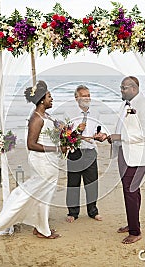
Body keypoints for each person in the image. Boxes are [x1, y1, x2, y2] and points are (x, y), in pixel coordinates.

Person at [0, 80, 61, 239]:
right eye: (49, 96)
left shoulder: (46, 115)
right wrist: (56, 148)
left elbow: (51, 133)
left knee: (44, 194)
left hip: (50, 160)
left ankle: (40, 227)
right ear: (42, 99)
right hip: (42, 161)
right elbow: (31, 144)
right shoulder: (36, 118)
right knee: (39, 192)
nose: (52, 98)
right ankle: (41, 229)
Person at [106, 76, 145, 244]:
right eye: (121, 87)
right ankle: (132, 223)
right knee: (132, 191)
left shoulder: (143, 105)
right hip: (124, 152)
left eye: (124, 88)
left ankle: (135, 232)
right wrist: (110, 137)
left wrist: (121, 137)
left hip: (136, 156)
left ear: (134, 89)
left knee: (130, 192)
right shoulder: (127, 103)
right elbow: (123, 127)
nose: (121, 90)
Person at [63, 85, 103, 223]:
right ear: (76, 98)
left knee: (91, 183)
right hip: (75, 151)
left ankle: (93, 211)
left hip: (91, 151)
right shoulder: (69, 113)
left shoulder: (96, 113)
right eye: (84, 95)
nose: (87, 98)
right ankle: (73, 212)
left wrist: (99, 135)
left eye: (88, 95)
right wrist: (77, 131)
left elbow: (96, 131)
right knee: (73, 183)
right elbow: (65, 136)